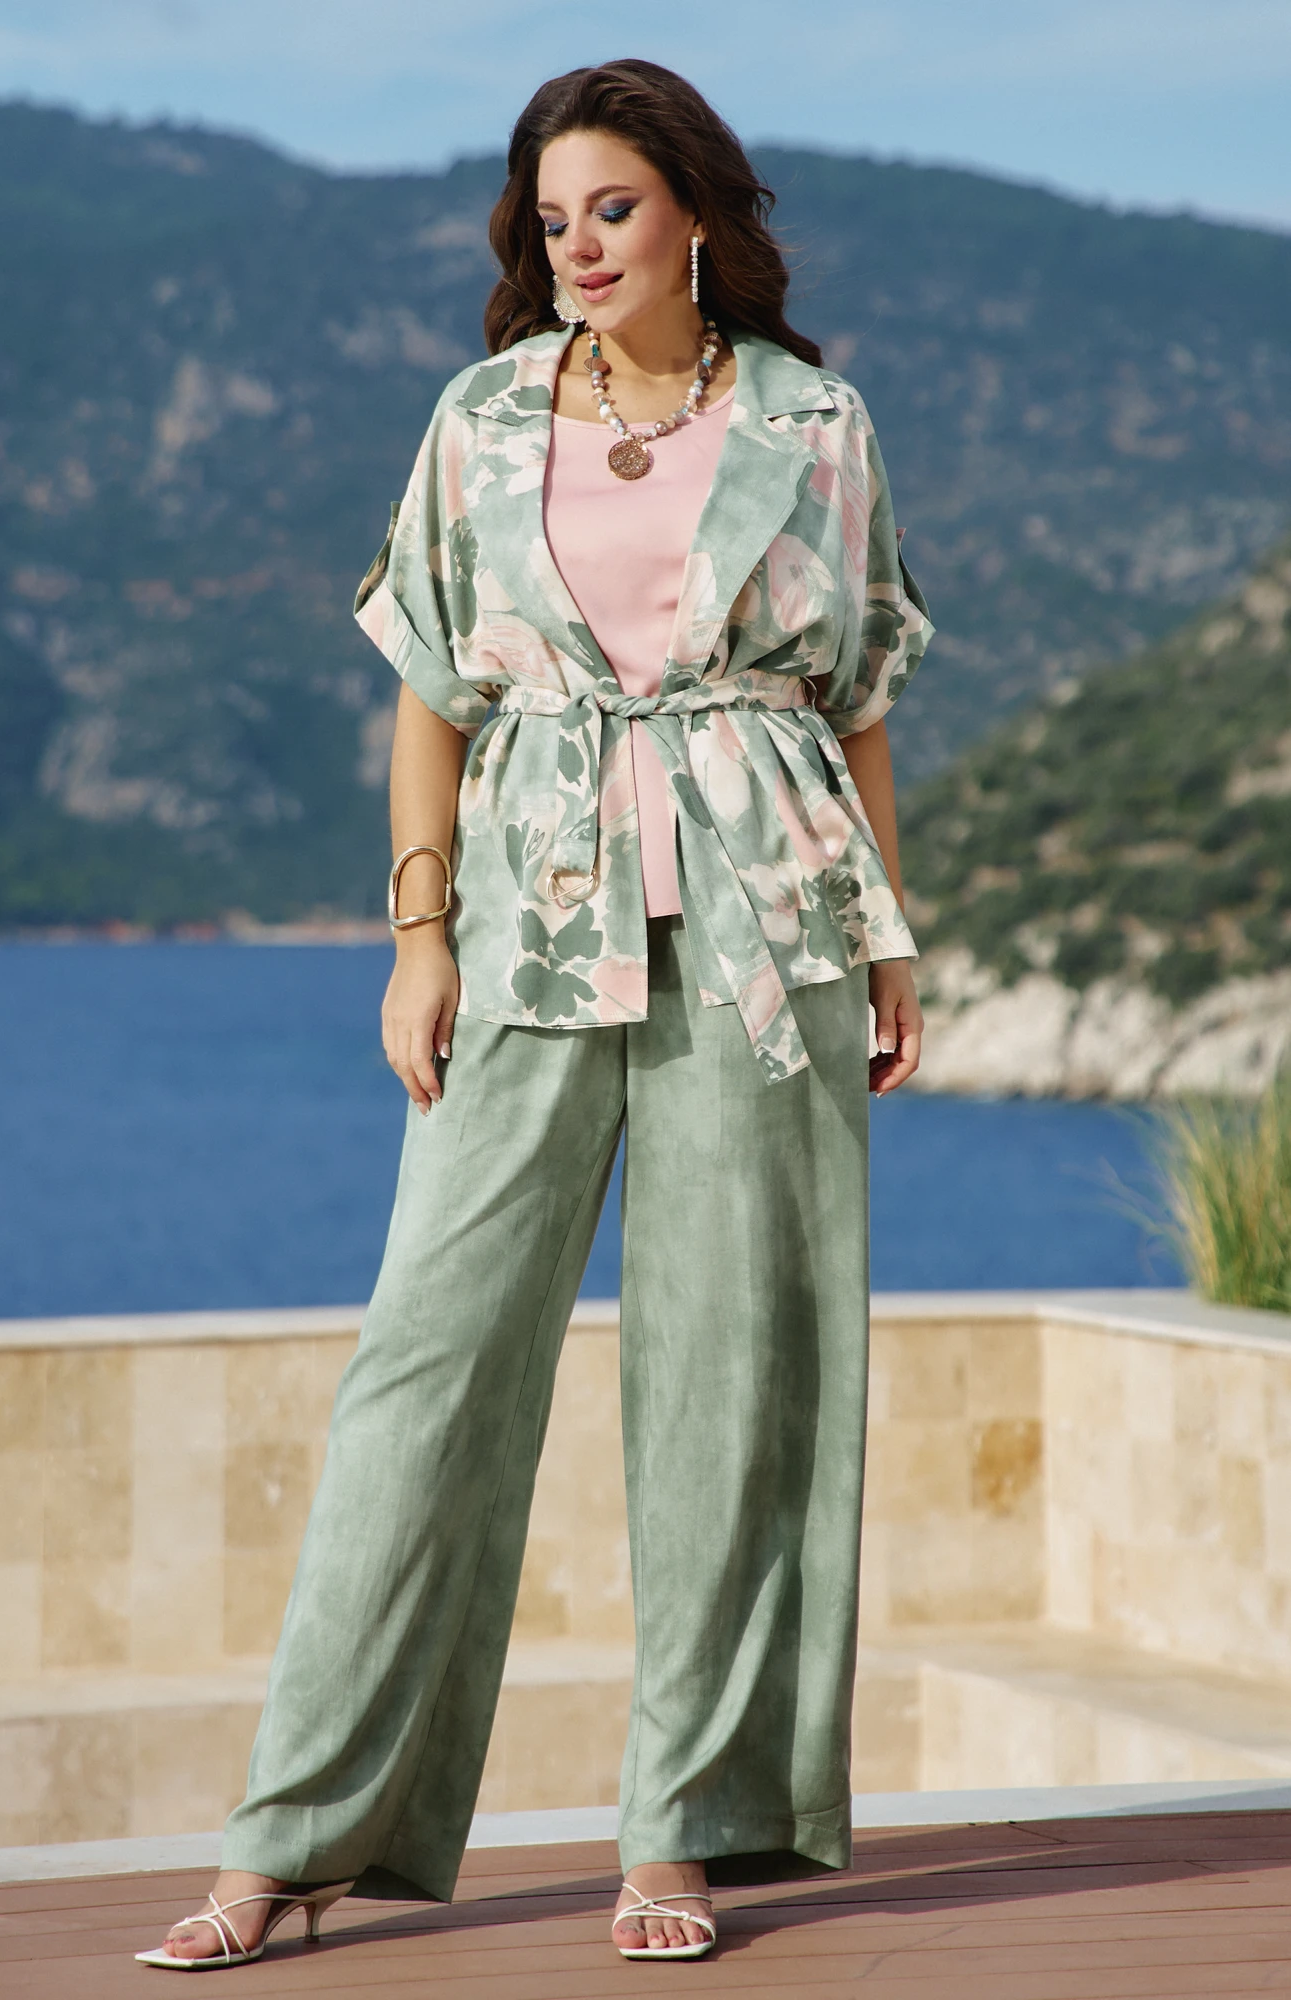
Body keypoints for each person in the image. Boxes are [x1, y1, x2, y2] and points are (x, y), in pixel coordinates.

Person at [137, 56, 930, 1972]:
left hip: (770, 935)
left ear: (696, 215)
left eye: (613, 208)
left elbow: (858, 704)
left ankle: (686, 1829)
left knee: (732, 1381)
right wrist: (416, 937)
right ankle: (294, 1837)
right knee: (424, 1368)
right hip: (525, 929)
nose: (578, 245)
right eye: (552, 216)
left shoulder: (815, 422)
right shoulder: (481, 417)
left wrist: (898, 941)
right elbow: (432, 692)